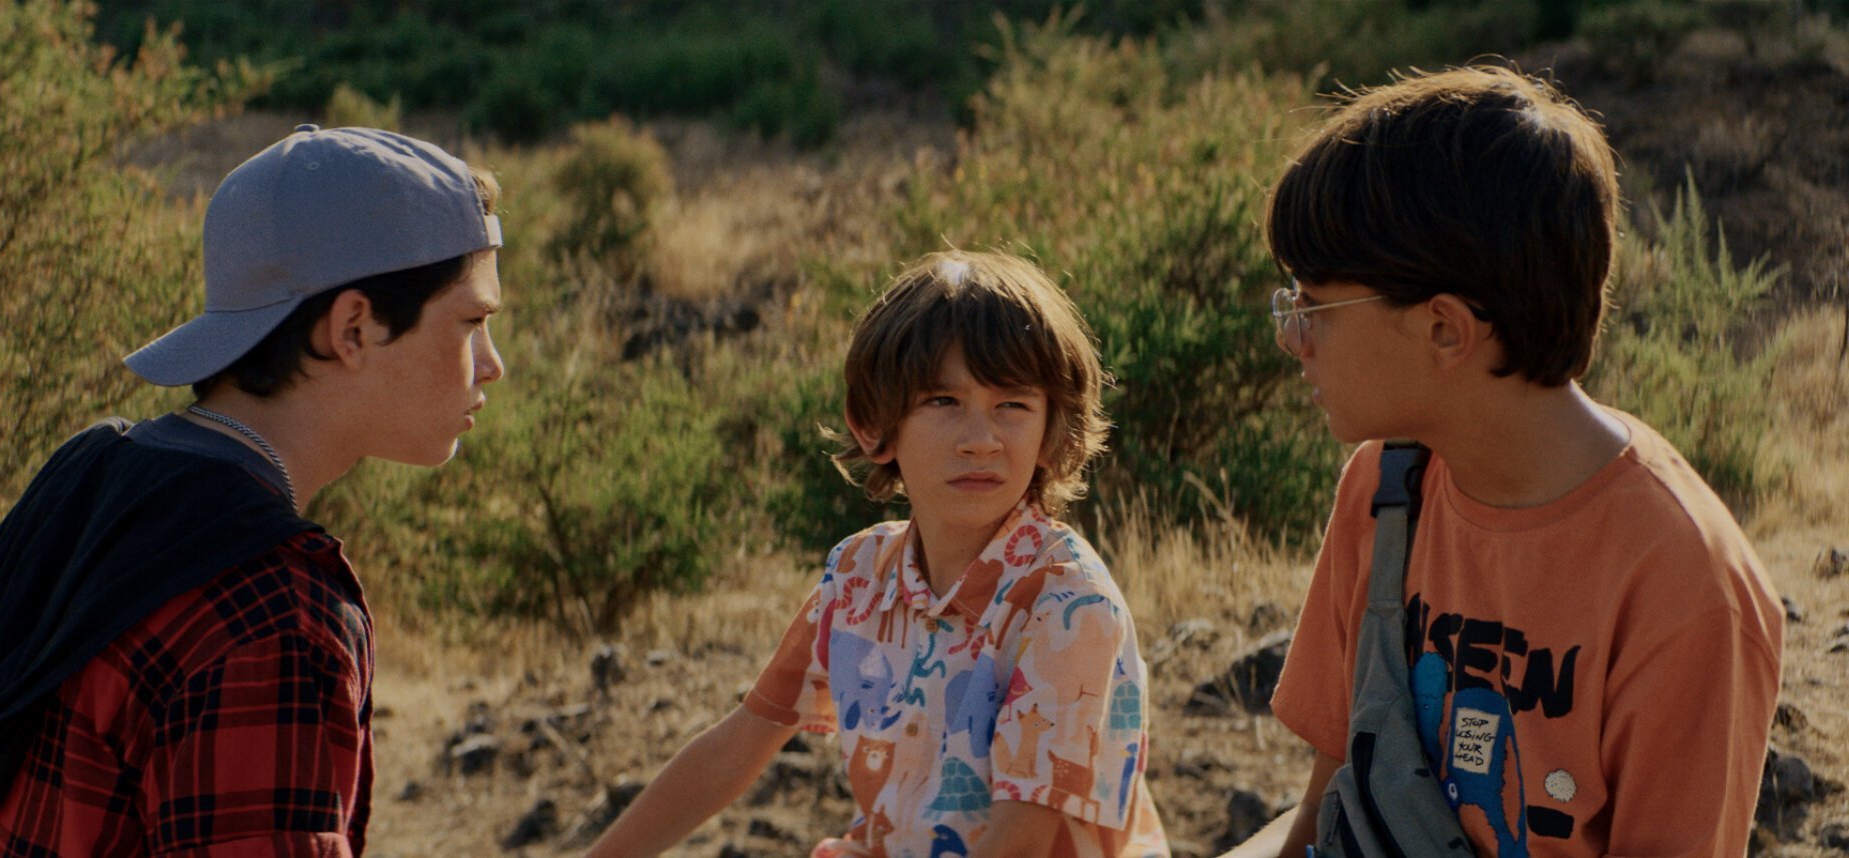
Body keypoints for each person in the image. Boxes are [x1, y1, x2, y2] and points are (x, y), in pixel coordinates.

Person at [0, 124, 507, 856]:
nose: (491, 364)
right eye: (471, 322)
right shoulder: (274, 620)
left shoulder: (90, 481)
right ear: (353, 328)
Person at [1223, 67, 1784, 857]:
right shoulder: (1385, 490)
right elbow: (1332, 806)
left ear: (1445, 330)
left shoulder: (1684, 586)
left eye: (1315, 306)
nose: (1292, 338)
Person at [589, 250, 1170, 858]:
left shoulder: (1068, 601)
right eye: (943, 401)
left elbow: (1019, 843)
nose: (981, 440)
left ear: (1052, 430)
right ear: (873, 424)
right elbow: (736, 747)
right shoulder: (859, 576)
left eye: (1013, 405)